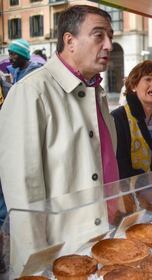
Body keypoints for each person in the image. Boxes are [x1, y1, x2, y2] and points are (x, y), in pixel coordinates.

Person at [0, 5, 117, 277]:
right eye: (99, 35)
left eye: (110, 36)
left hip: (105, 242)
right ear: (69, 40)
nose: (109, 45)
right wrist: (38, 268)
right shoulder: (31, 92)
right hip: (60, 256)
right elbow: (24, 194)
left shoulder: (96, 93)